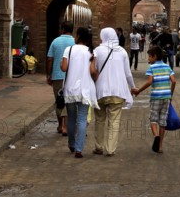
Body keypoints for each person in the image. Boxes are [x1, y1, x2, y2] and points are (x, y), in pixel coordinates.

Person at [93, 27, 138, 156]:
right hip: (117, 91)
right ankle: (110, 149)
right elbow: (128, 74)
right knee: (114, 121)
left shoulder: (97, 51)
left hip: (100, 91)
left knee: (100, 120)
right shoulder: (122, 52)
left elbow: (93, 70)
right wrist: (133, 87)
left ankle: (98, 147)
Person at [61, 27, 99, 158]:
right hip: (85, 89)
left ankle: (71, 143)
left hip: (70, 89)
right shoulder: (91, 52)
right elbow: (93, 71)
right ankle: (79, 149)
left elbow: (63, 68)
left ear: (77, 36)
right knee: (82, 119)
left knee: (71, 118)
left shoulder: (69, 49)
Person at [133, 46, 176, 153]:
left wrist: (139, 90)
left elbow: (149, 82)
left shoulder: (151, 68)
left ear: (155, 56)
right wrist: (171, 94)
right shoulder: (167, 67)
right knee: (162, 121)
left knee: (153, 119)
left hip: (156, 97)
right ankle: (160, 146)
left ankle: (156, 136)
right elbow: (174, 81)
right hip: (166, 97)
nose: (148, 59)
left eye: (149, 56)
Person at [46, 21, 75, 137]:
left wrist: (49, 75)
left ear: (62, 29)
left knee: (59, 101)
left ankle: (60, 125)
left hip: (57, 76)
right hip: (71, 76)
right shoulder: (75, 42)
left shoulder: (55, 41)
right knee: (69, 101)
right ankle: (66, 125)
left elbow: (49, 59)